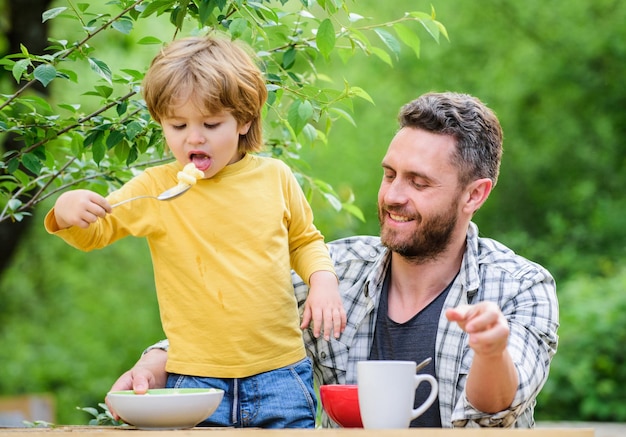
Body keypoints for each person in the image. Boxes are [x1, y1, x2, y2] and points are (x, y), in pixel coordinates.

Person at [106, 92, 559, 428]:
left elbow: (498, 408)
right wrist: (153, 364)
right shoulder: (337, 270)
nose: (393, 196)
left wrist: (491, 348)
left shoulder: (519, 286)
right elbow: (245, 318)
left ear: (474, 194)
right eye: (389, 174)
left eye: (418, 183)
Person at [44, 35, 347, 429]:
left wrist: (323, 281)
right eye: (178, 124)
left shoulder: (275, 178)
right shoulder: (155, 188)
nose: (194, 137)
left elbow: (304, 241)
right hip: (195, 381)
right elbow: (97, 230)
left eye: (211, 123)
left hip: (281, 375)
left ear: (245, 120)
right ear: (161, 123)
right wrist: (67, 210)